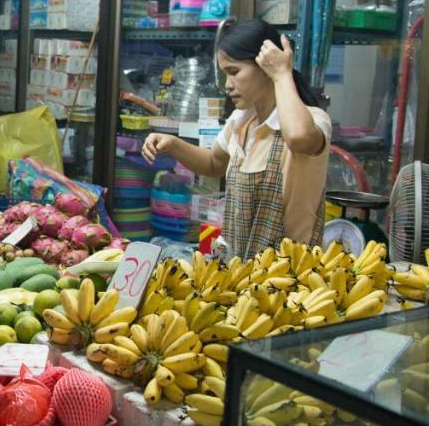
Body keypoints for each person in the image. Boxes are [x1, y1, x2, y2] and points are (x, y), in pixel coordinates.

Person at [142, 19, 332, 259]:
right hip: (240, 275)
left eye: (234, 72)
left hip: (291, 280)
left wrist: (282, 74)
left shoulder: (312, 120)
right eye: (225, 75)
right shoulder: (240, 122)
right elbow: (214, 163)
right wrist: (173, 144)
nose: (227, 85)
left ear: (265, 67)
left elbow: (297, 138)